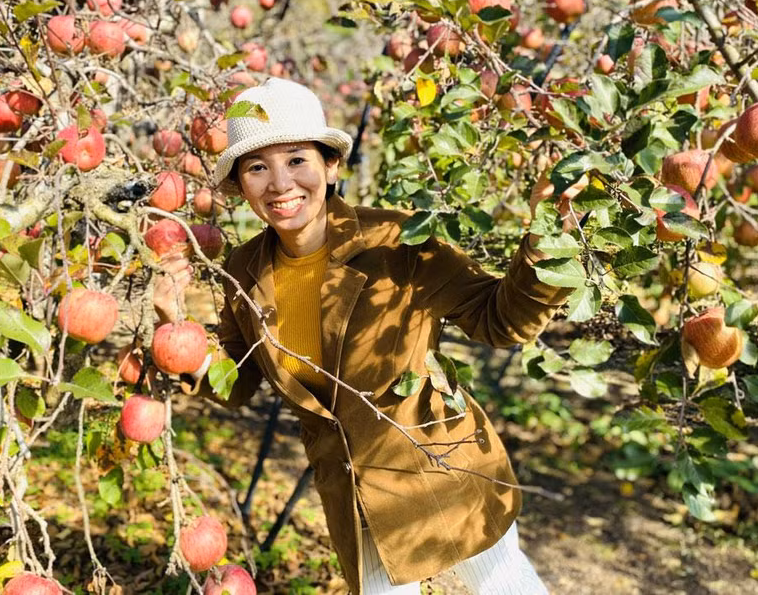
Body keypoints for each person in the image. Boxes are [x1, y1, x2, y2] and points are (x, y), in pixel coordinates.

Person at [152, 77, 574, 594]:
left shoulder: (397, 241)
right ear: (241, 187)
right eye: (258, 167)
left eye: (296, 159)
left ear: (330, 166)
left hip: (441, 473)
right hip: (353, 499)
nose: (280, 183)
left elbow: (501, 321)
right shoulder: (245, 268)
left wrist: (547, 239)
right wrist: (180, 336)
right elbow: (236, 383)